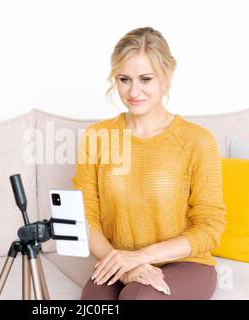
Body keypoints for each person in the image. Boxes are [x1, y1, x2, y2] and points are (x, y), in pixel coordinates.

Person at [72, 26, 226, 300]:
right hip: (117, 259)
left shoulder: (197, 141)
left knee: (138, 296)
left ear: (166, 77)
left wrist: (142, 257)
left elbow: (209, 228)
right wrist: (124, 267)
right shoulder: (96, 137)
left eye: (145, 79)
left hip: (187, 263)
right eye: (124, 79)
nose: (134, 91)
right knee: (93, 301)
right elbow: (86, 219)